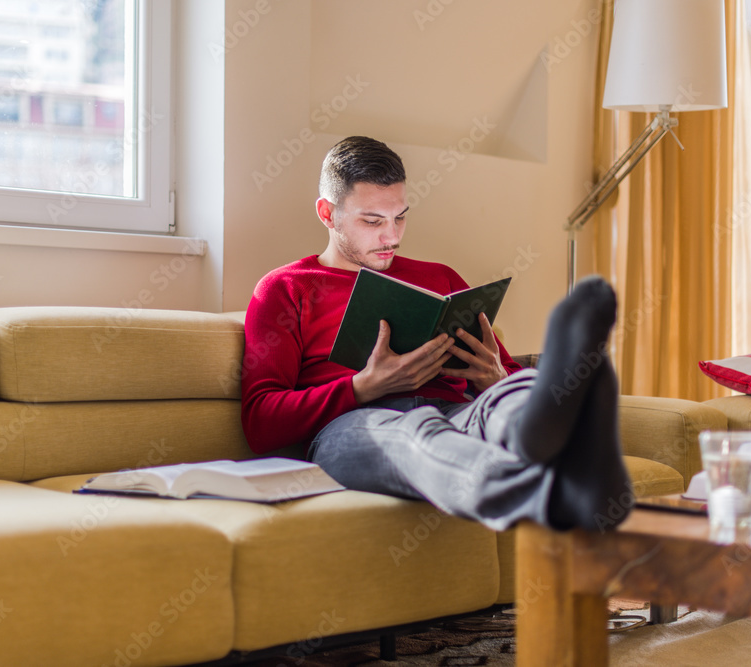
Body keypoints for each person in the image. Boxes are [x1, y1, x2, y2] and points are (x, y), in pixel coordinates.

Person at [241, 135, 630, 532]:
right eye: (372, 221)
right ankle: (559, 491)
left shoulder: (439, 277)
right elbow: (260, 421)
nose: (391, 236)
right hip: (354, 427)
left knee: (511, 394)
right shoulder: (286, 288)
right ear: (328, 213)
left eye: (400, 217)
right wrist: (363, 387)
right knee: (415, 434)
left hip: (457, 413)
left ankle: (535, 428)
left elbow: (503, 370)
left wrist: (495, 377)